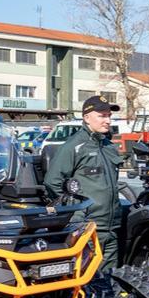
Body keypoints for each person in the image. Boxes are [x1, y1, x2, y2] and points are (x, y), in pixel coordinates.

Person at [44, 95, 124, 268]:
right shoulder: (74, 146)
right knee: (86, 281)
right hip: (88, 227)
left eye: (109, 115)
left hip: (111, 227)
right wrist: (76, 212)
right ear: (87, 118)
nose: (108, 120)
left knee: (111, 280)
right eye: (102, 116)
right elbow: (53, 182)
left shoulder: (109, 147)